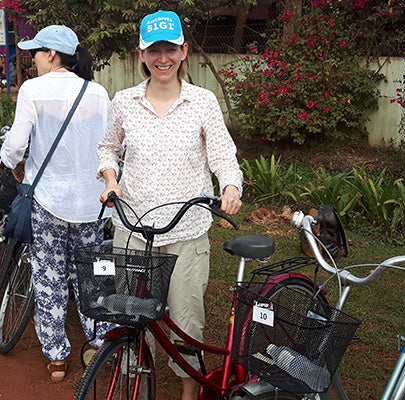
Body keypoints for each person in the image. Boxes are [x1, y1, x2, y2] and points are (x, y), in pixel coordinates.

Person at [97, 11, 243, 400]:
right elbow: (108, 147)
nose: (163, 58)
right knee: (127, 314)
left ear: (184, 51)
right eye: (154, 50)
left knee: (186, 319)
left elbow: (223, 155)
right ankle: (130, 380)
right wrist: (110, 181)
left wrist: (230, 187)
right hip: (132, 227)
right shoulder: (124, 101)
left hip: (186, 231)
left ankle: (187, 389)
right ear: (141, 55)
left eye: (171, 49)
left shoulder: (202, 101)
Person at [0, 25, 114, 382]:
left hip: (47, 200)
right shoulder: (96, 92)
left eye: (35, 53)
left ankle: (57, 358)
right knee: (93, 273)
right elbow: (109, 145)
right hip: (91, 203)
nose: (31, 60)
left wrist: (7, 160)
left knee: (49, 275)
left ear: (51, 55)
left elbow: (16, 145)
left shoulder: (33, 89)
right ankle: (98, 342)